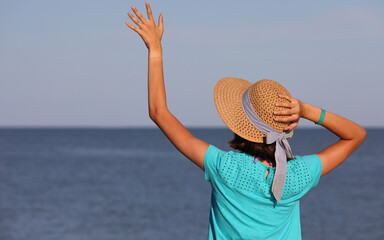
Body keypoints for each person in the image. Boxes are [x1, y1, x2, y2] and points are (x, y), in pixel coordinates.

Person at [126, 3, 367, 239]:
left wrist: (155, 49)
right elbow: (356, 135)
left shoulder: (224, 167)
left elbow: (159, 112)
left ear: (240, 125)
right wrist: (306, 110)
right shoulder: (298, 175)